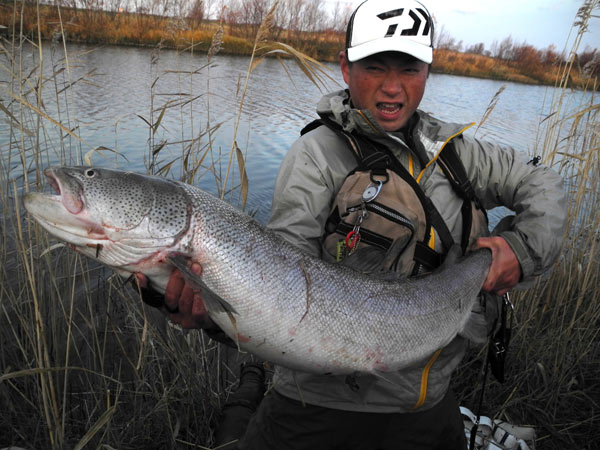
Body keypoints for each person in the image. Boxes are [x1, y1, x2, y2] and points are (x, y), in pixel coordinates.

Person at [137, 0, 567, 448]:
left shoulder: (459, 154)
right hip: (317, 405)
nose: (392, 88)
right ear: (345, 67)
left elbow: (544, 185)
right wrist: (211, 311)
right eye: (375, 67)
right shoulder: (316, 156)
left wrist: (523, 249)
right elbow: (281, 284)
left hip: (426, 402)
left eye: (409, 69)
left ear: (428, 71)